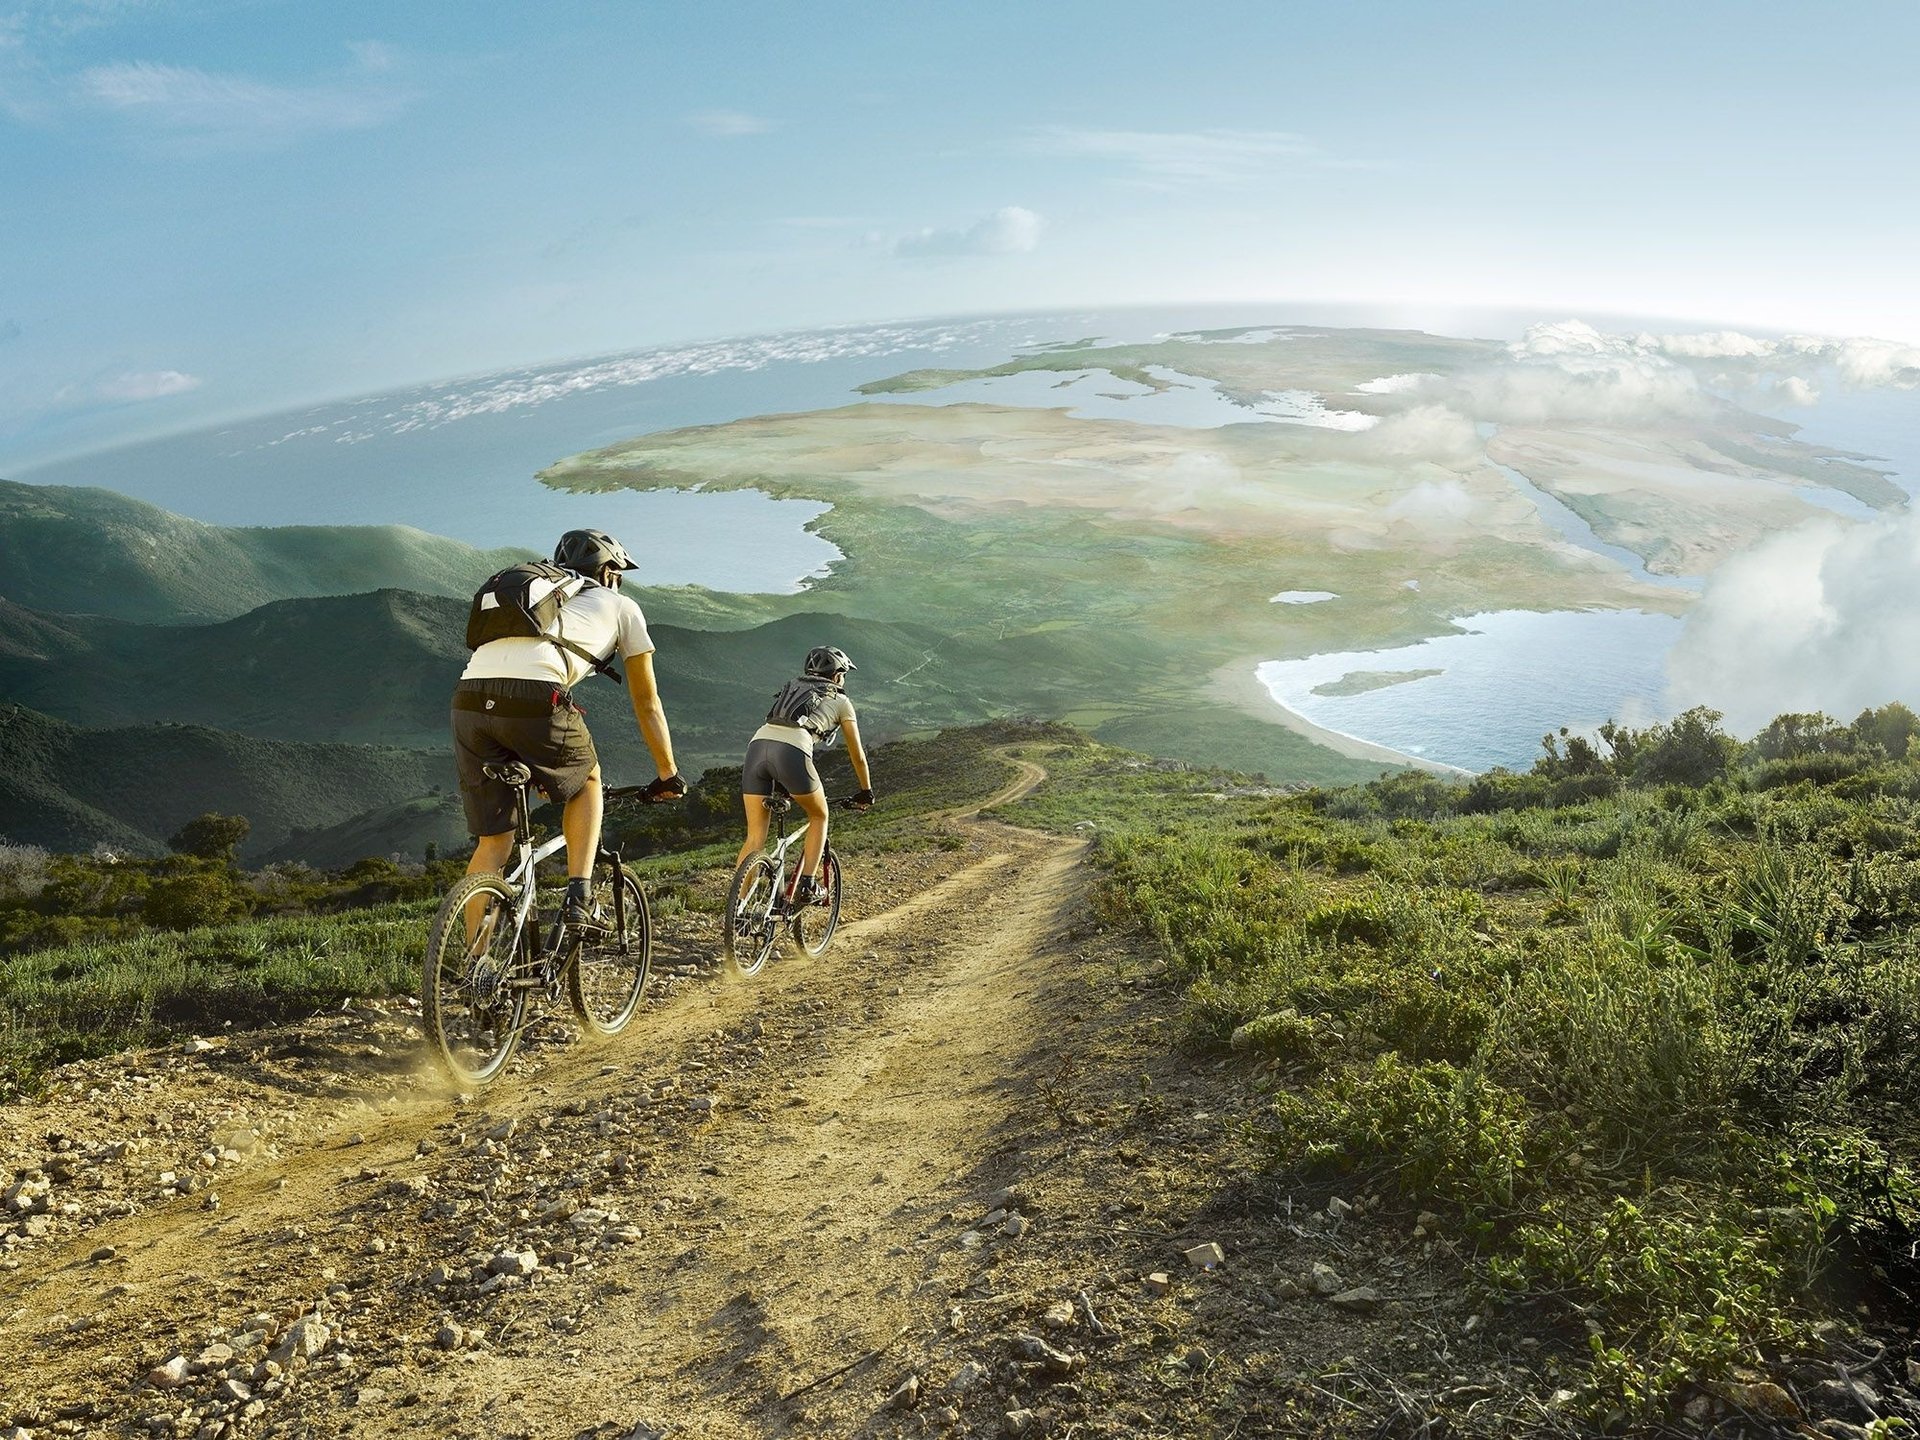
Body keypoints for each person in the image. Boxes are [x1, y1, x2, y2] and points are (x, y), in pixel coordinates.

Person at [452, 527, 684, 929]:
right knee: (588, 779)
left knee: (493, 844)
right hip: (536, 698)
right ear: (610, 571)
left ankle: (479, 964)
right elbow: (647, 702)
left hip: (468, 702)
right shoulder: (621, 605)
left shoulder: (544, 597)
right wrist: (668, 774)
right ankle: (581, 900)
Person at [735, 645, 874, 909]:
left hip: (756, 747)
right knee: (819, 815)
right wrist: (866, 791)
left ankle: (738, 909)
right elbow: (857, 755)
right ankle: (808, 885)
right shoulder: (842, 701)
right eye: (844, 675)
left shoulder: (792, 686)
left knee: (754, 838)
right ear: (836, 675)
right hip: (792, 753)